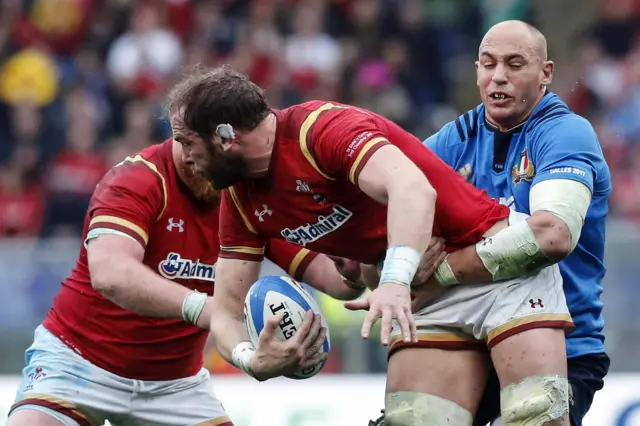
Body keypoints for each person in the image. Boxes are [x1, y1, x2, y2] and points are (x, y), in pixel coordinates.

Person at [166, 66, 576, 426]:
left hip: (498, 267)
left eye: (187, 141)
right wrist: (249, 359)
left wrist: (393, 281)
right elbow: (226, 310)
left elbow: (412, 190)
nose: (183, 157)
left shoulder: (320, 129)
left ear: (225, 136)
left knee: (535, 416)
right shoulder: (239, 201)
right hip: (424, 297)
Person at [7, 137, 369, 426]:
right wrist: (210, 309)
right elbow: (111, 274)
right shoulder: (137, 178)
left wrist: (357, 267)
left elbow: (336, 279)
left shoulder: (243, 195)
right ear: (186, 141)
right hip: (78, 361)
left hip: (174, 384)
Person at [419, 20, 611, 426]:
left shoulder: (566, 133)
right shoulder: (454, 141)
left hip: (564, 343)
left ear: (546, 73)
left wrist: (441, 272)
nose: (498, 77)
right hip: (470, 342)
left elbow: (551, 235)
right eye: (488, 65)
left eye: (514, 64)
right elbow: (382, 208)